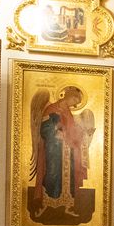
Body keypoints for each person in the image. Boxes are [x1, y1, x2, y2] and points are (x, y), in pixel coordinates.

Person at [31, 85, 92, 217]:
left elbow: (72, 129)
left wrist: (84, 132)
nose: (74, 104)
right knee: (53, 171)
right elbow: (44, 128)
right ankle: (49, 200)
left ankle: (68, 204)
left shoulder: (68, 112)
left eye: (77, 103)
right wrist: (55, 131)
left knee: (69, 175)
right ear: (68, 96)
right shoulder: (51, 108)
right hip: (54, 148)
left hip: (67, 150)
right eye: (74, 100)